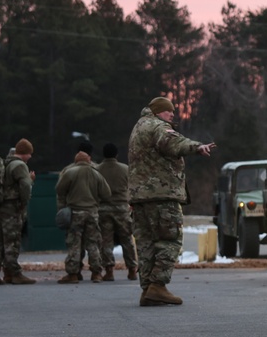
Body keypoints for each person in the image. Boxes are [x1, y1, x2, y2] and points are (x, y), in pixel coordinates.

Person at [128, 96, 215, 306]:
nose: (173, 115)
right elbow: (173, 141)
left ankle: (147, 289)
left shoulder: (138, 128)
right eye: (169, 111)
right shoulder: (158, 126)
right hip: (161, 195)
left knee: (147, 244)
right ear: (158, 111)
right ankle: (158, 286)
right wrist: (197, 147)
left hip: (140, 197)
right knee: (170, 240)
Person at [55, 151, 112, 283]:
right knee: (93, 243)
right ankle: (96, 273)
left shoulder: (69, 173)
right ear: (88, 160)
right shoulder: (96, 174)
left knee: (74, 243)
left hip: (75, 212)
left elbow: (59, 190)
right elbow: (107, 194)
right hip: (92, 213)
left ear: (76, 161)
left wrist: (63, 206)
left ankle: (73, 274)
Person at [0, 139, 37, 285]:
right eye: (29, 153)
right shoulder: (20, 165)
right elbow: (25, 187)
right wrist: (24, 200)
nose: (31, 157)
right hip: (12, 209)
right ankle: (14, 273)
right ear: (25, 153)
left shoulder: (5, 162)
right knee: (12, 241)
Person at [97, 142, 138, 281]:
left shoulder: (98, 170)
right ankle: (132, 269)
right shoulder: (125, 169)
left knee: (106, 241)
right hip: (122, 208)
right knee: (127, 239)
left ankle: (109, 271)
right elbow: (133, 188)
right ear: (116, 154)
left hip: (103, 209)